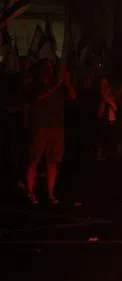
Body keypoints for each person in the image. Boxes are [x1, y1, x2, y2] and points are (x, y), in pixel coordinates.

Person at [25, 60, 75, 205]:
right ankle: (30, 191)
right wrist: (58, 84)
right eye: (47, 67)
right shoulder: (36, 85)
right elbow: (38, 97)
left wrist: (68, 82)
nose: (51, 69)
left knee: (53, 161)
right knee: (34, 159)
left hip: (57, 127)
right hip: (40, 127)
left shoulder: (59, 87)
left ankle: (50, 193)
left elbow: (72, 96)